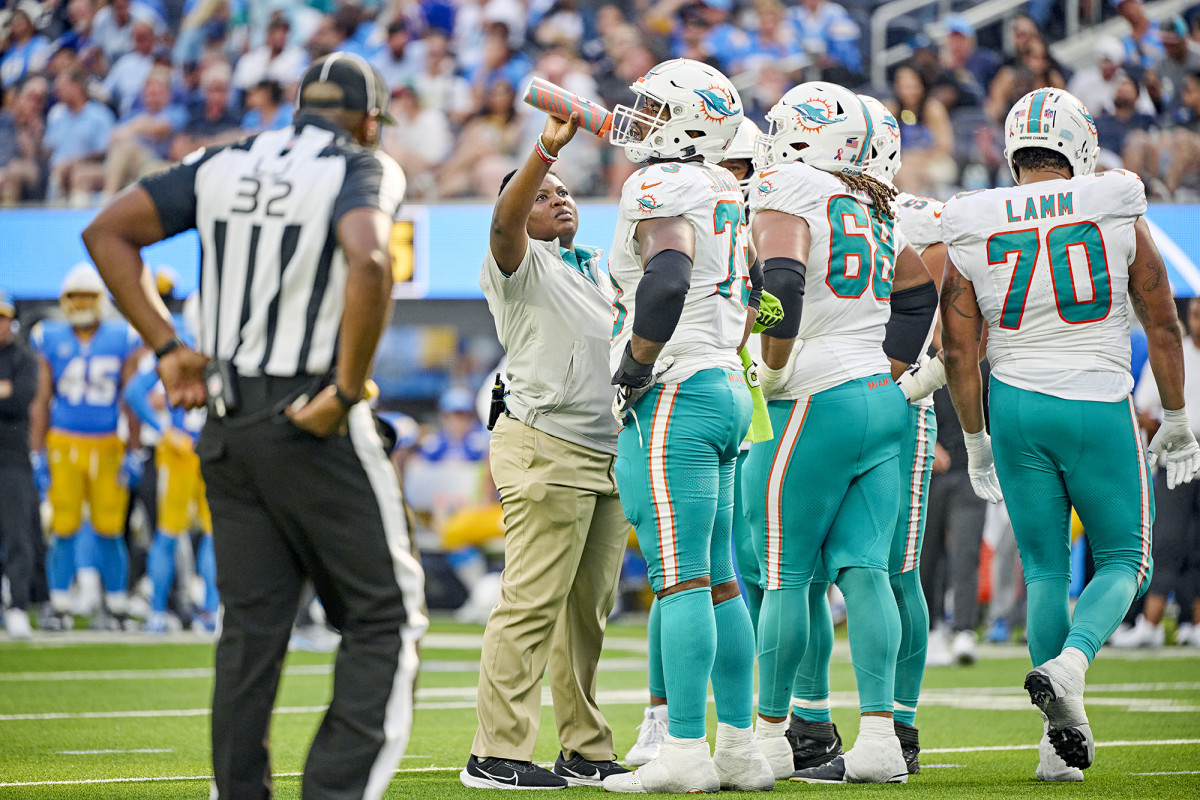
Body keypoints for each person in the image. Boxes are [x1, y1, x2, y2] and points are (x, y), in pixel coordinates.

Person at [82, 52, 427, 800]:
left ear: (298, 105)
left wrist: (169, 347)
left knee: (250, 634)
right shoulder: (360, 164)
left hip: (226, 421)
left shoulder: (225, 158)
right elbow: (370, 260)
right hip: (308, 414)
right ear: (370, 120)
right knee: (386, 618)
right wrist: (342, 389)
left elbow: (107, 231)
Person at [939, 87, 1200, 781]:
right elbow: (1163, 321)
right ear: (1079, 144)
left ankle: (1055, 749)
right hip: (1094, 397)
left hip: (1015, 402)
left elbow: (960, 350)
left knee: (1046, 568)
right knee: (1125, 558)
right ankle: (1073, 663)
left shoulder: (976, 217)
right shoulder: (1112, 204)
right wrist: (1176, 414)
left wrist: (974, 437)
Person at [744, 81, 936, 785]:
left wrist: (772, 362)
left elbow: (784, 282)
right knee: (867, 571)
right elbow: (918, 293)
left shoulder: (790, 187)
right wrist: (887, 364)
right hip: (880, 399)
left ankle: (766, 739)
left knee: (786, 574)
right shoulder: (871, 203)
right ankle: (881, 738)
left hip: (813, 397)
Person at [602, 57, 771, 794]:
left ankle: (682, 751)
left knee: (680, 582)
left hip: (677, 392)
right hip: (726, 387)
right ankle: (737, 750)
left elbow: (668, 277)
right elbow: (761, 290)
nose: (637, 118)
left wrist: (635, 367)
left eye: (651, 107)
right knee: (721, 581)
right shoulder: (727, 186)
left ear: (687, 120)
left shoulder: (664, 183)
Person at [461, 104, 631, 791]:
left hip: (605, 450)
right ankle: (494, 753)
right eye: (542, 196)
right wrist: (546, 153)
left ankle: (584, 748)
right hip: (546, 444)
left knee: (586, 613)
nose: (557, 199)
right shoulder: (517, 264)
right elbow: (503, 221)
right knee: (531, 603)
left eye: (562, 194)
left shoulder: (592, 269)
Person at [30, 264, 143, 630]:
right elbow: (41, 399)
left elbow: (132, 398)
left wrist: (135, 448)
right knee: (63, 525)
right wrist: (37, 450)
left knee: (109, 527)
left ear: (100, 299)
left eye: (87, 296)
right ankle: (60, 604)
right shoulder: (49, 335)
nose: (81, 304)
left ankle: (117, 605)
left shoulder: (121, 336)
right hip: (63, 442)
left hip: (109, 444)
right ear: (64, 300)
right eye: (75, 296)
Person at [1120, 297, 1200, 647]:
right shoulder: (1172, 351)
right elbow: (1143, 407)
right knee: (1166, 541)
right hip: (1176, 461)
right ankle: (1150, 625)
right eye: (1197, 314)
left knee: (1197, 547)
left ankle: (1194, 624)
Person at [0, 288, 38, 639]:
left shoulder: (24, 358)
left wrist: (9, 394)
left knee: (17, 534)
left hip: (12, 457)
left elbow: (21, 398)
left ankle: (18, 606)